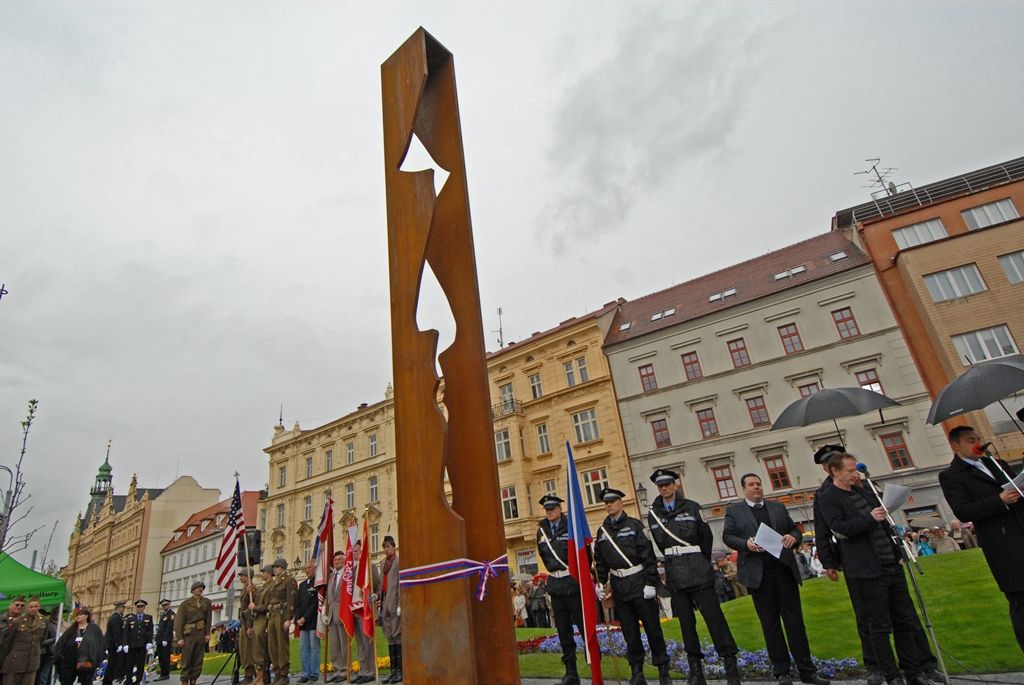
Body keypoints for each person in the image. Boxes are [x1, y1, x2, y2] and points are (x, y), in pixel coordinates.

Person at [817, 450, 927, 685]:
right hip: (866, 568)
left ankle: (913, 671)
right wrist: (870, 518)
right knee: (878, 626)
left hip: (890, 563)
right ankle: (891, 674)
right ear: (835, 471)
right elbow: (839, 527)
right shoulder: (828, 497)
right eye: (849, 471)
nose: (854, 474)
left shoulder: (864, 491)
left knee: (904, 621)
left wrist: (897, 551)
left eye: (855, 469)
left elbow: (884, 525)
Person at [723, 474, 829, 685]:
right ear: (743, 489)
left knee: (795, 622)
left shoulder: (777, 507)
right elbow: (728, 536)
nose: (757, 487)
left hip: (783, 570)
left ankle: (807, 670)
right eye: (751, 485)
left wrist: (794, 537)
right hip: (759, 575)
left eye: (758, 484)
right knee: (770, 624)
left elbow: (793, 529)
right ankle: (781, 671)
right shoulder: (735, 511)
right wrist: (747, 544)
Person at [646, 469, 735, 685]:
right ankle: (696, 671)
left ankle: (731, 668)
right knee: (687, 625)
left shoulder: (692, 507)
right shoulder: (654, 514)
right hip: (675, 575)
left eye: (668, 484)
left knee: (715, 620)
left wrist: (701, 561)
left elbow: (706, 537)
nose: (664, 488)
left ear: (675, 485)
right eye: (661, 486)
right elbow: (660, 544)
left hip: (698, 571)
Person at [939, 425, 1024, 652]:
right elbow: (963, 511)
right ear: (955, 446)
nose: (977, 442)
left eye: (978, 438)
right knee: (1020, 602)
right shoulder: (951, 476)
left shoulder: (997, 464)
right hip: (1003, 545)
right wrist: (1000, 499)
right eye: (970, 440)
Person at [594, 486, 671, 685]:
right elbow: (600, 561)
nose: (609, 505)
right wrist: (600, 583)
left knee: (653, 629)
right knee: (629, 632)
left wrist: (650, 583)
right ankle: (637, 672)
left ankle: (663, 670)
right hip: (619, 586)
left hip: (639, 581)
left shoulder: (635, 525)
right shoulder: (602, 531)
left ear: (621, 502)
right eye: (606, 502)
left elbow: (648, 556)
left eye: (612, 501)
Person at [535, 494, 586, 685]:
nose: (549, 512)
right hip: (556, 586)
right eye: (547, 509)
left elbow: (583, 554)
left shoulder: (571, 526)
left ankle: (594, 667)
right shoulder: (541, 531)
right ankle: (571, 673)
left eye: (552, 508)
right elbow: (544, 555)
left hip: (573, 583)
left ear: (560, 509)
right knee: (563, 631)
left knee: (584, 627)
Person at [349, 542, 379, 685]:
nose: (353, 553)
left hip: (365, 610)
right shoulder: (353, 570)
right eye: (353, 551)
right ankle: (363, 670)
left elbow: (377, 586)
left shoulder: (370, 567)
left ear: (362, 552)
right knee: (360, 643)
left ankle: (371, 671)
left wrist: (374, 597)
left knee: (367, 642)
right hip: (354, 610)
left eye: (356, 551)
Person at [174, 580, 213, 685]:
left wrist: (207, 634)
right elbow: (179, 622)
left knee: (198, 659)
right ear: (193, 590)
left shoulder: (207, 602)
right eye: (198, 587)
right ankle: (185, 680)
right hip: (188, 635)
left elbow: (208, 619)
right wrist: (180, 638)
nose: (200, 589)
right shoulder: (185, 604)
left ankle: (194, 680)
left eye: (202, 588)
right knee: (187, 659)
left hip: (200, 633)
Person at [2, 596, 47, 685]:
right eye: (31, 607)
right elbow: (7, 642)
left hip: (32, 661)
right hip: (15, 660)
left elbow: (42, 640)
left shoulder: (43, 621)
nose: (33, 609)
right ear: (27, 607)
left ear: (39, 607)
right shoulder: (17, 621)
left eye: (36, 606)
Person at [265, 558, 297, 685]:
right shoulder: (274, 582)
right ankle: (277, 670)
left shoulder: (289, 580)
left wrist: (288, 618)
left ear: (283, 568)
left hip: (281, 614)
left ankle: (283, 673)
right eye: (274, 567)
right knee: (272, 645)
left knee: (281, 645)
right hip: (272, 614)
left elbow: (291, 600)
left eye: (277, 567)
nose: (275, 569)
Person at [54, 608, 103, 685]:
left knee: (86, 682)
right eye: (77, 615)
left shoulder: (93, 628)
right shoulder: (72, 629)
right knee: (66, 681)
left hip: (86, 661)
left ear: (86, 616)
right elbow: (62, 643)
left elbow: (98, 644)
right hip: (70, 661)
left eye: (80, 614)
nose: (78, 616)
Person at [378, 535, 402, 684]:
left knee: (397, 634)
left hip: (395, 601)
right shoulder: (383, 564)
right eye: (384, 547)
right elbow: (382, 584)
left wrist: (400, 603)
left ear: (393, 547)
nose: (386, 549)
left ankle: (400, 670)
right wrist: (377, 596)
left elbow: (400, 583)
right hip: (385, 601)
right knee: (389, 636)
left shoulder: (398, 562)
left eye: (388, 546)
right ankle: (393, 670)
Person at [323, 553, 348, 683]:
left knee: (344, 644)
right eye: (335, 559)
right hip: (332, 614)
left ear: (344, 561)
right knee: (334, 645)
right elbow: (328, 596)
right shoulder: (332, 576)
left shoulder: (347, 575)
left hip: (342, 613)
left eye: (339, 559)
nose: (337, 561)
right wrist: (325, 612)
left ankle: (344, 670)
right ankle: (337, 669)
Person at [294, 562, 320, 684]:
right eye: (305, 568)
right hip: (302, 623)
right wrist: (298, 618)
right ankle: (305, 673)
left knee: (314, 648)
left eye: (309, 567)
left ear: (315, 568)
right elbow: (298, 603)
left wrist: (305, 617)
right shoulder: (303, 585)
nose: (307, 570)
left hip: (313, 621)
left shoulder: (318, 583)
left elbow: (315, 603)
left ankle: (314, 673)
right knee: (303, 649)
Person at [250, 565, 275, 685]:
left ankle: (262, 676)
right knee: (256, 647)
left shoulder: (272, 586)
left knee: (262, 647)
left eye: (264, 572)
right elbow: (256, 598)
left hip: (265, 619)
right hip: (258, 620)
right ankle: (259, 674)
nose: (262, 574)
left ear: (269, 573)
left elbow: (266, 605)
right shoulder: (263, 587)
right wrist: (252, 591)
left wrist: (255, 608)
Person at [123, 600, 153, 685]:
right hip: (132, 645)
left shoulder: (148, 617)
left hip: (142, 645)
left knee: (140, 664)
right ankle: (128, 680)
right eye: (138, 607)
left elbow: (150, 631)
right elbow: (126, 632)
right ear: (136, 608)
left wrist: (149, 642)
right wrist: (125, 644)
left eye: (142, 606)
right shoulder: (130, 619)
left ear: (144, 608)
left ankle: (138, 680)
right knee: (130, 664)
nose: (140, 608)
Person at [237, 572, 257, 684]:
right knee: (243, 648)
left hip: (248, 621)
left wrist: (249, 626)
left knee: (248, 649)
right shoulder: (245, 589)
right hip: (243, 621)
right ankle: (247, 672)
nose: (241, 578)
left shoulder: (251, 589)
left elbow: (251, 609)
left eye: (243, 575)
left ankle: (249, 674)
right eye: (241, 576)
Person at [101, 601, 126, 685]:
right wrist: (119, 644)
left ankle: (108, 681)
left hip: (112, 644)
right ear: (119, 608)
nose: (124, 609)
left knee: (112, 663)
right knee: (112, 664)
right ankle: (107, 682)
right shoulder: (116, 618)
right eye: (123, 608)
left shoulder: (116, 617)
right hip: (113, 645)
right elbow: (116, 632)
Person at [35, 607, 57, 685]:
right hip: (44, 652)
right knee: (43, 675)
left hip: (52, 653)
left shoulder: (59, 624)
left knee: (49, 675)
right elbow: (44, 640)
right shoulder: (49, 625)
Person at [154, 599, 174, 682]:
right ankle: (162, 672)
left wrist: (165, 639)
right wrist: (156, 639)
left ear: (169, 604)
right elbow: (160, 628)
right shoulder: (163, 615)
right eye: (163, 605)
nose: (164, 606)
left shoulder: (171, 614)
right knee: (161, 657)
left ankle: (165, 674)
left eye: (166, 605)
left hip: (165, 641)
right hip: (160, 640)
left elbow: (169, 628)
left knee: (165, 657)